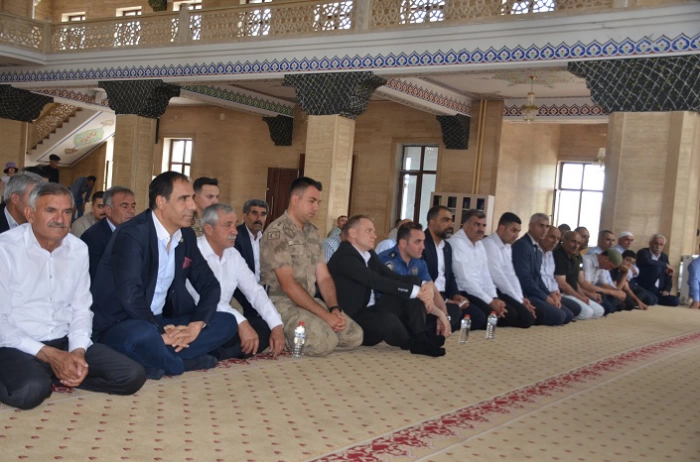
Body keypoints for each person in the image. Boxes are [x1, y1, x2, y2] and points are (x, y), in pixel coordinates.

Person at [0, 182, 145, 410]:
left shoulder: (78, 249)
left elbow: (81, 308)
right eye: (51, 210)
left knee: (131, 375)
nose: (60, 219)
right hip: (18, 344)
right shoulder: (6, 249)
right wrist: (48, 355)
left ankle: (59, 373)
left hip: (64, 339)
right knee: (30, 392)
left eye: (67, 212)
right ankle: (45, 374)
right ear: (30, 214)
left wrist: (77, 351)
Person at [90, 172, 236, 379]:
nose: (192, 206)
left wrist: (194, 326)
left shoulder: (186, 235)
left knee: (226, 321)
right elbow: (130, 297)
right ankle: (178, 364)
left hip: (163, 320)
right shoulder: (131, 234)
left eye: (192, 198)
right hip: (122, 323)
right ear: (161, 202)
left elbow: (210, 285)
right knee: (142, 335)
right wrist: (160, 331)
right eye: (183, 199)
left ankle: (157, 358)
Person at [260, 177, 363, 357]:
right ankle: (282, 335)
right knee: (323, 344)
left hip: (309, 300)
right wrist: (325, 316)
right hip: (282, 302)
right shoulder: (277, 232)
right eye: (312, 201)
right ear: (295, 199)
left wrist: (334, 308)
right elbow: (288, 285)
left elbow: (324, 277)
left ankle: (316, 330)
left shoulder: (313, 232)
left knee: (354, 336)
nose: (316, 207)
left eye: (318, 202)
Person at [330, 216, 448, 357]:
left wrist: (422, 286)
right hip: (352, 318)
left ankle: (421, 337)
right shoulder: (345, 256)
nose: (374, 235)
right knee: (389, 321)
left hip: (371, 309)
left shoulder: (368, 253)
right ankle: (410, 342)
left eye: (373, 231)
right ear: (353, 233)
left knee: (411, 283)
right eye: (368, 231)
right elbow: (376, 281)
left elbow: (390, 275)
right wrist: (415, 291)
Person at [187, 204, 285, 359]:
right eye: (228, 225)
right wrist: (241, 323)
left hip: (224, 320)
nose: (235, 231)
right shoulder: (193, 252)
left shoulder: (233, 254)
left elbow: (255, 291)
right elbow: (205, 301)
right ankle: (218, 352)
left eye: (235, 224)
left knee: (265, 326)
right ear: (208, 229)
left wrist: (277, 326)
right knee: (228, 324)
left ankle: (218, 353)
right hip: (196, 320)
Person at [449, 209, 534, 329]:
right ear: (465, 226)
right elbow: (466, 281)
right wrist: (490, 301)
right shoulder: (457, 243)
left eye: (484, 225)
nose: (481, 229)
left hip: (482, 291)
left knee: (522, 317)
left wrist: (494, 298)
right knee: (491, 318)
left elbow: (486, 276)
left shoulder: (479, 244)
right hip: (464, 292)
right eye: (477, 224)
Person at [377, 221, 459, 332]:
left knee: (454, 309)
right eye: (418, 242)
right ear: (403, 243)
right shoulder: (387, 260)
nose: (423, 247)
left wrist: (444, 315)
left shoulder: (419, 262)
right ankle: (420, 333)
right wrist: (438, 312)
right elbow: (404, 292)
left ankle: (424, 330)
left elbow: (433, 289)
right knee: (414, 288)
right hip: (387, 309)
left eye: (423, 241)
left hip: (413, 308)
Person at [423, 205, 486, 330]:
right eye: (445, 220)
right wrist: (445, 300)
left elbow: (450, 275)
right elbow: (423, 279)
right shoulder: (422, 244)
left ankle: (444, 321)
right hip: (429, 295)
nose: (451, 225)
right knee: (455, 312)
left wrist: (455, 295)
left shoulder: (446, 247)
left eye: (451, 220)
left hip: (446, 294)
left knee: (479, 318)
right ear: (432, 222)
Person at [510, 213, 574, 325]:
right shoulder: (522, 245)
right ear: (531, 226)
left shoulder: (536, 248)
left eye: (547, 226)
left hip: (535, 292)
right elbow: (524, 279)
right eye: (541, 226)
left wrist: (549, 294)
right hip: (525, 294)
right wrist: (545, 297)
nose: (544, 230)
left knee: (568, 315)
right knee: (560, 316)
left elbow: (538, 278)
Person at [81, 186, 136, 280]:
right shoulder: (92, 238)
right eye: (124, 206)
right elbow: (96, 278)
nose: (131, 211)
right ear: (108, 210)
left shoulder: (138, 232)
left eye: (133, 206)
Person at [553, 231, 605, 319]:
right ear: (564, 240)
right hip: (561, 293)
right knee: (587, 312)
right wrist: (580, 298)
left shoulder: (573, 257)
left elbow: (575, 282)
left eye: (578, 243)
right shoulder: (558, 255)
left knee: (599, 310)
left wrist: (583, 296)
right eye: (573, 241)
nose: (576, 246)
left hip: (572, 292)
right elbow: (562, 284)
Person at [537, 226, 582, 318]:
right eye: (552, 237)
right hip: (541, 293)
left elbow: (552, 278)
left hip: (552, 293)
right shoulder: (539, 253)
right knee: (562, 316)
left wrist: (555, 292)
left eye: (557, 239)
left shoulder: (550, 254)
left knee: (575, 310)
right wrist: (549, 295)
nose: (555, 241)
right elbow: (537, 279)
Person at [636, 234, 680, 306]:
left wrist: (666, 289)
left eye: (661, 244)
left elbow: (668, 275)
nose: (658, 246)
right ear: (650, 244)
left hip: (657, 290)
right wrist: (665, 265)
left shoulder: (664, 256)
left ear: (663, 246)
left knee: (675, 301)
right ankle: (650, 298)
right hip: (645, 287)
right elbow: (647, 261)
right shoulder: (643, 252)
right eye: (656, 243)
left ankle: (653, 298)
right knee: (657, 268)